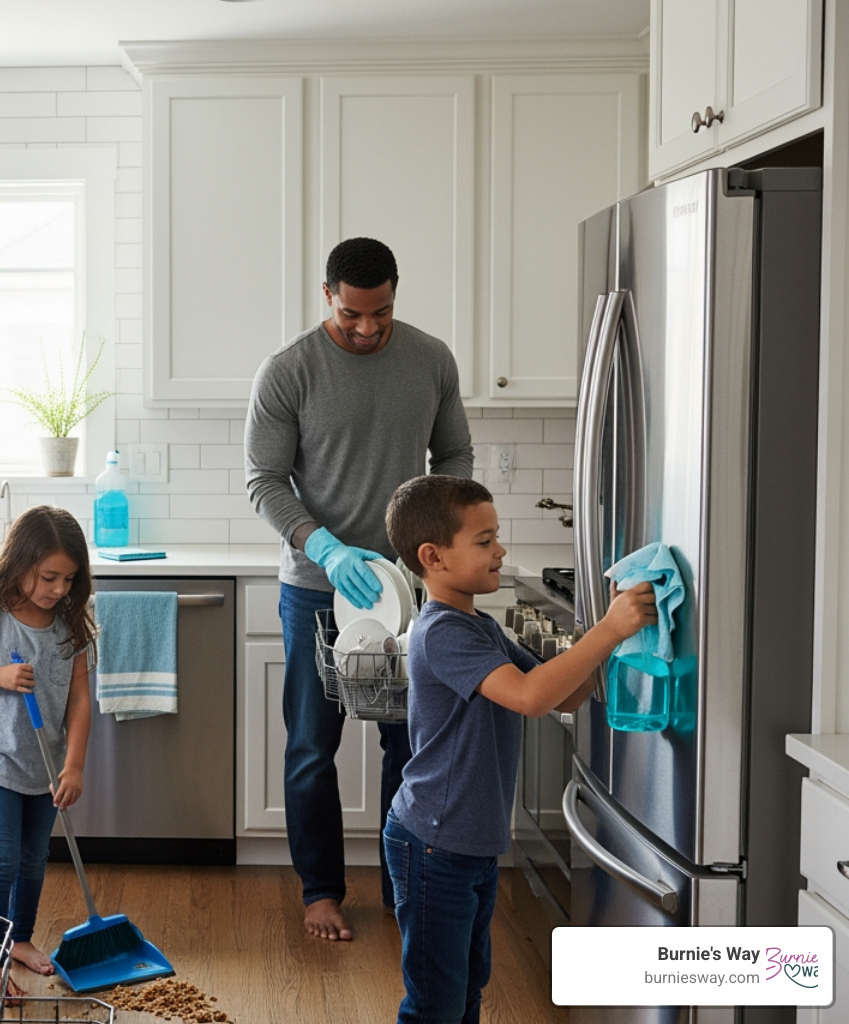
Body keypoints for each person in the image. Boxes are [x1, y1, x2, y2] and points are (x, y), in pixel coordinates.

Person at [245, 237, 475, 941]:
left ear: (395, 295)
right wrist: (322, 544)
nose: (367, 328)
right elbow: (263, 481)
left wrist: (433, 534)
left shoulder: (430, 358)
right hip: (319, 590)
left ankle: (404, 886)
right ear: (327, 296)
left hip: (407, 593)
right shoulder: (289, 371)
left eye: (380, 313)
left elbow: (456, 454)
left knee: (411, 747)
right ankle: (321, 892)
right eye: (351, 315)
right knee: (314, 747)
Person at [382, 475, 655, 1023]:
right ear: (433, 557)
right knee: (435, 1002)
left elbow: (566, 697)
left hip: (470, 845)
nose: (500, 550)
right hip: (434, 845)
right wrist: (606, 630)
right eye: (484, 541)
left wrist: (616, 636)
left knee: (464, 990)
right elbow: (530, 698)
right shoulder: (443, 632)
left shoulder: (479, 625)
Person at [0, 505, 95, 997]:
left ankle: (19, 938)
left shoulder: (70, 627)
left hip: (44, 766)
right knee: (3, 860)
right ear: (20, 563)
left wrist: (73, 766)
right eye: (49, 576)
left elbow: (80, 701)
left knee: (32, 861)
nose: (58, 589)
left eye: (68, 580)